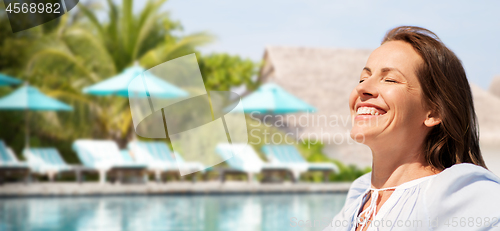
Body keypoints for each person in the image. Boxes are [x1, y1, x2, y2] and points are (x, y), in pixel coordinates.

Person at [323, 26, 500, 231]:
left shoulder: (457, 193)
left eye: (390, 79)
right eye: (363, 78)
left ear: (434, 112)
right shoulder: (358, 198)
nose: (362, 88)